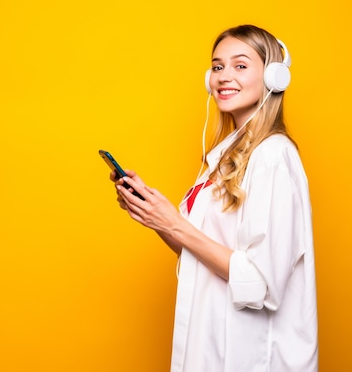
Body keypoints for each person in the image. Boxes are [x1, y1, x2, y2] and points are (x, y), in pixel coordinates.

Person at [110, 24, 318, 371]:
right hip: (210, 351)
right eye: (217, 66)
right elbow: (200, 253)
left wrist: (175, 223)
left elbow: (260, 283)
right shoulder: (224, 157)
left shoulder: (273, 157)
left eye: (240, 65)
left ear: (274, 76)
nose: (223, 76)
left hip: (253, 358)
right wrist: (156, 217)